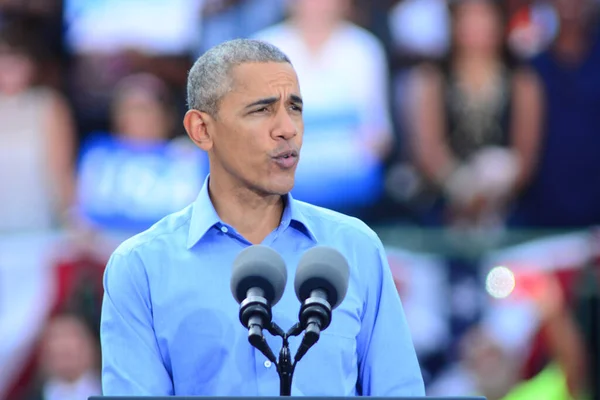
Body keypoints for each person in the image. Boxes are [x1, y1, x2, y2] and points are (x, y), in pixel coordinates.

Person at [99, 39, 424, 396]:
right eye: (262, 110)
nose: (288, 128)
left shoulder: (355, 247)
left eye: (295, 107)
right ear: (201, 130)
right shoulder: (140, 267)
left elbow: (399, 390)